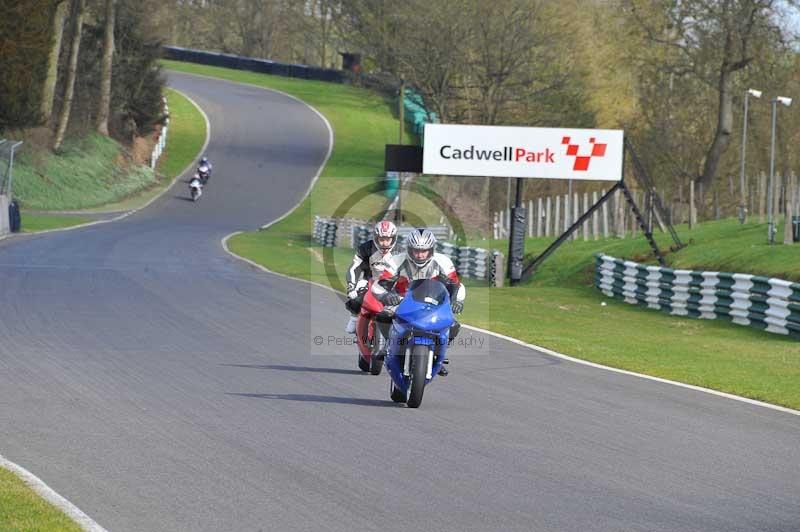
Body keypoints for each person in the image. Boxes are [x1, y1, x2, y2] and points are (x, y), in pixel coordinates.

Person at [371, 228, 465, 376]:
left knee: (453, 325)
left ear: (431, 250)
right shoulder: (396, 260)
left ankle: (437, 357)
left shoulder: (443, 262)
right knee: (383, 316)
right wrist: (386, 296)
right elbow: (378, 285)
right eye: (416, 251)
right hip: (401, 301)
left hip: (434, 304)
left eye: (424, 251)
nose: (420, 255)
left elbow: (457, 286)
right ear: (409, 249)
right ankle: (388, 346)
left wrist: (457, 301)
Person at [343, 220, 398, 334]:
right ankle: (354, 317)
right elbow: (354, 267)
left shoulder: (400, 252)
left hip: (392, 285)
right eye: (381, 239)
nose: (384, 243)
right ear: (376, 238)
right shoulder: (366, 248)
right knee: (355, 297)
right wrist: (351, 286)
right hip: (368, 281)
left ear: (393, 239)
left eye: (388, 239)